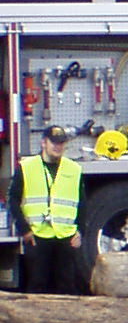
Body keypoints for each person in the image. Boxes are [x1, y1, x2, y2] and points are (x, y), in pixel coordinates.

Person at [9, 125, 84, 292]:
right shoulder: (27, 167)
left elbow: (82, 204)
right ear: (44, 143)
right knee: (37, 284)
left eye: (61, 143)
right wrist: (25, 230)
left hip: (65, 237)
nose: (58, 147)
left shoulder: (73, 169)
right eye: (54, 142)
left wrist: (80, 231)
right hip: (37, 235)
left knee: (67, 286)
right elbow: (13, 200)